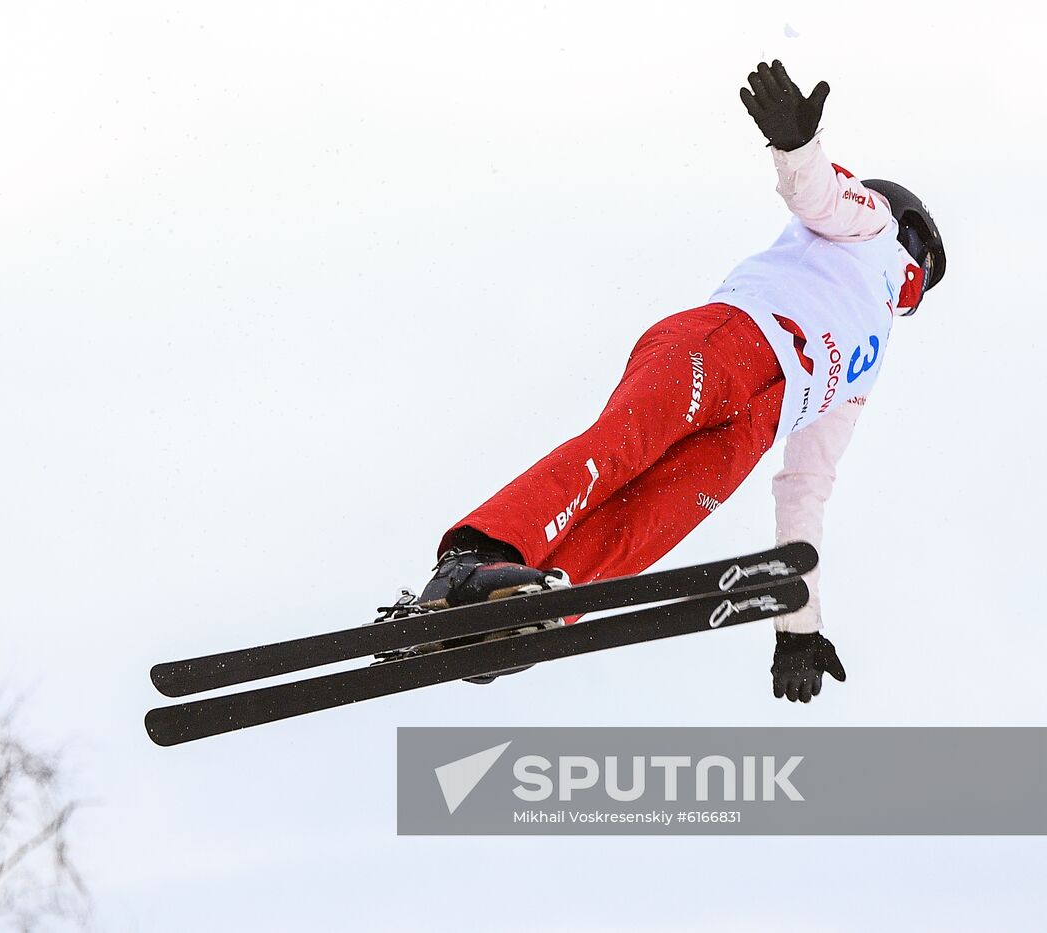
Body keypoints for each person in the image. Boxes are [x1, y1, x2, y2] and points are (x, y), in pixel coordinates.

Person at [403, 61, 946, 703]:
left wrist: (798, 627)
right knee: (622, 446)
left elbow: (807, 485)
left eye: (928, 270)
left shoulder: (868, 356)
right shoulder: (870, 225)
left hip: (759, 422)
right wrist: (797, 146)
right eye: (920, 244)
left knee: (646, 527)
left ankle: (519, 612)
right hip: (732, 341)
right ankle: (472, 559)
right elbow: (818, 194)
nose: (917, 263)